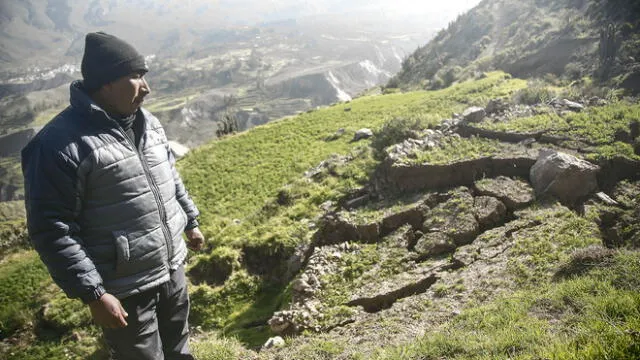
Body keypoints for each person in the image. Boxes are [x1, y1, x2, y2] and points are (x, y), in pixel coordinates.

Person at [21, 32, 205, 360]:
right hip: (125, 289)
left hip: (171, 266)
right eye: (135, 77)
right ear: (105, 83)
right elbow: (51, 229)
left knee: (180, 350)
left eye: (144, 76)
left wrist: (190, 220)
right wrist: (94, 294)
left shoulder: (148, 122)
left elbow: (169, 175)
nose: (146, 87)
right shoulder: (58, 146)